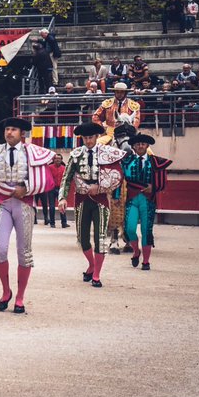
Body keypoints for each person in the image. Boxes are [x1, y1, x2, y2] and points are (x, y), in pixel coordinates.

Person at [0, 117, 58, 314]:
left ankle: (20, 296)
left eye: (13, 129)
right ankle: (6, 291)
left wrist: (27, 188)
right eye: (7, 129)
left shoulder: (32, 152)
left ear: (22, 133)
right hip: (2, 205)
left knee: (24, 252)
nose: (9, 132)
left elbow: (43, 179)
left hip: (24, 204)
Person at [58, 122, 128, 288]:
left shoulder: (106, 153)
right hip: (82, 199)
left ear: (97, 137)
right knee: (82, 239)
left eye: (91, 137)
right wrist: (62, 198)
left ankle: (96, 275)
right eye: (85, 138)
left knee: (100, 237)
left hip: (101, 199)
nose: (88, 141)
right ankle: (92, 264)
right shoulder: (76, 154)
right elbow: (66, 178)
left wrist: (101, 187)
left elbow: (117, 175)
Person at [122, 133, 172, 271]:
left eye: (143, 144)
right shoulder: (126, 161)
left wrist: (153, 187)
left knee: (146, 230)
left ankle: (146, 261)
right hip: (132, 199)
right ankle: (136, 251)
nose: (140, 146)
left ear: (147, 146)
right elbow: (118, 178)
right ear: (133, 146)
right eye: (137, 144)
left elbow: (163, 183)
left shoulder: (156, 161)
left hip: (148, 200)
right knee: (129, 229)